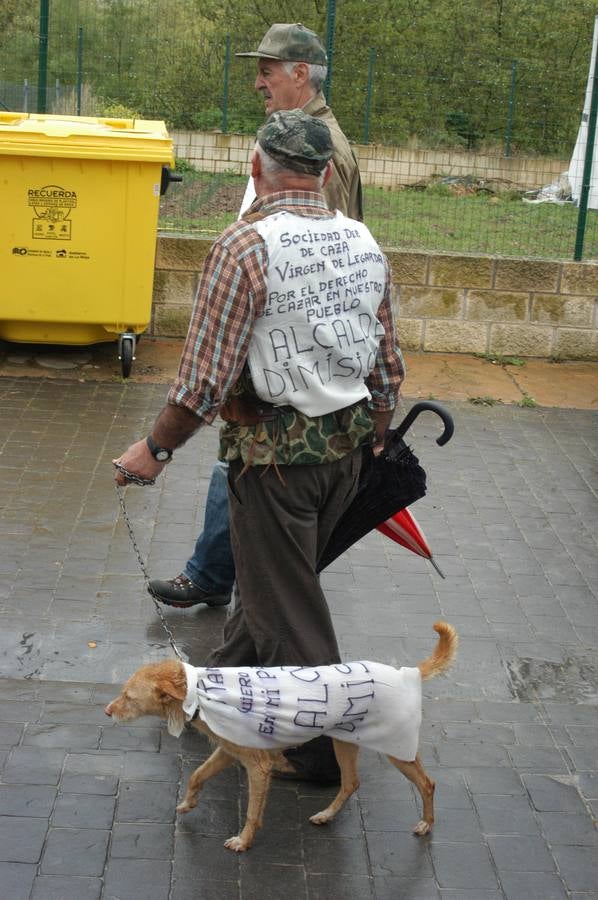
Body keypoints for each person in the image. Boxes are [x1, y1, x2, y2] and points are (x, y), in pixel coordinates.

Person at [114, 110, 404, 780]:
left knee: (287, 615)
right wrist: (378, 440)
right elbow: (388, 363)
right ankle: (214, 698)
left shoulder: (244, 247)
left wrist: (152, 452)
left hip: (276, 465)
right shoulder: (362, 241)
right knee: (271, 590)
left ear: (254, 169)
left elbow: (201, 384)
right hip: (348, 456)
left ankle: (327, 753)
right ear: (327, 173)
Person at [149, 22, 363, 609]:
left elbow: (323, 256)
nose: (258, 81)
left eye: (268, 70)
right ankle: (226, 579)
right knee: (240, 465)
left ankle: (232, 584)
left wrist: (158, 446)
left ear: (301, 74)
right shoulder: (294, 134)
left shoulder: (321, 147)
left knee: (249, 464)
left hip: (285, 361)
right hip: (277, 348)